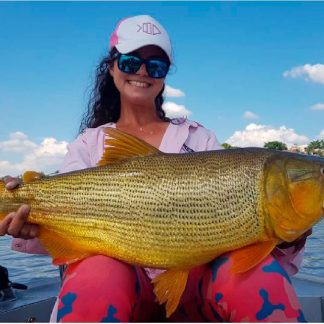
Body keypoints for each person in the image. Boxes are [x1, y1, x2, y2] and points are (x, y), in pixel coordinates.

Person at [0, 14, 309, 322]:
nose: (143, 72)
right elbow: (64, 237)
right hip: (116, 285)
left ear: (164, 76)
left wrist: (291, 235)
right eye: (131, 62)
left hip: (197, 286)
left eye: (156, 65)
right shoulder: (88, 144)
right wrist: (28, 221)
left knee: (258, 273)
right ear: (111, 67)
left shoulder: (199, 138)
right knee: (96, 272)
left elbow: (251, 244)